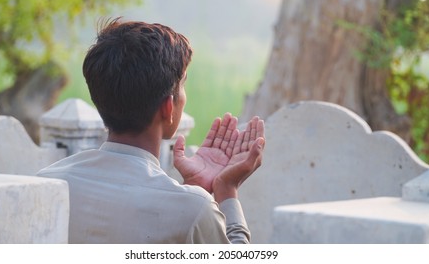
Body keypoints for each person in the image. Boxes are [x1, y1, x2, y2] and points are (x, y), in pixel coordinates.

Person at [37, 18, 265, 244]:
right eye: (183, 84)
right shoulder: (195, 210)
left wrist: (192, 188)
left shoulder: (47, 182)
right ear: (168, 108)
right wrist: (226, 192)